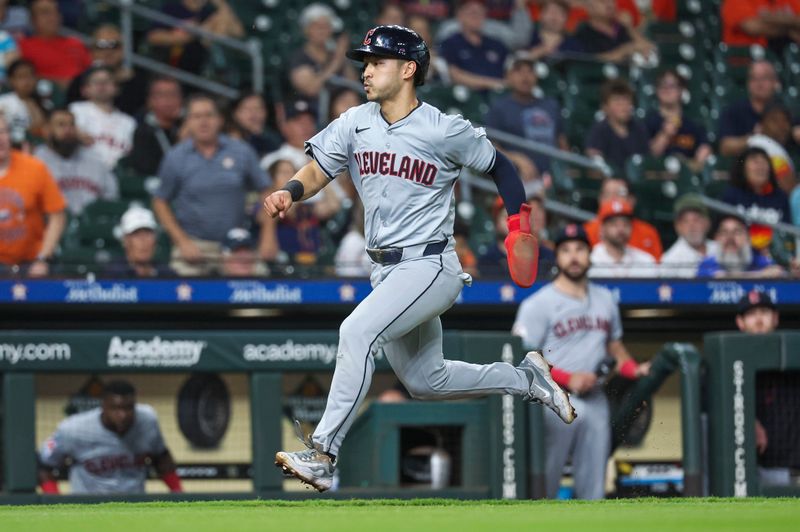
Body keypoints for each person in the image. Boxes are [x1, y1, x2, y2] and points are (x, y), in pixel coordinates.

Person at [268, 25, 575, 492]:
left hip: (431, 265)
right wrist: (290, 191)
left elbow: (502, 167)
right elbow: (317, 170)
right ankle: (527, 379)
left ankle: (324, 453)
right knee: (426, 380)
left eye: (377, 62)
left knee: (357, 331)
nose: (366, 71)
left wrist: (519, 225)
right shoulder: (355, 122)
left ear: (408, 69)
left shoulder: (443, 129)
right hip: (385, 269)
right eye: (365, 63)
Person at [512, 223, 650, 499]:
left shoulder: (606, 299)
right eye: (565, 250)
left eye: (579, 249)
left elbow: (614, 347)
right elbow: (522, 358)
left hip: (595, 397)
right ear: (557, 257)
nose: (573, 256)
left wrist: (635, 368)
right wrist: (566, 378)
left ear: (590, 254)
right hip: (552, 398)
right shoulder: (537, 304)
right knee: (544, 482)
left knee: (593, 486)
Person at [153, 94, 271, 276]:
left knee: (262, 286)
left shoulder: (241, 151)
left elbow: (267, 190)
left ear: (220, 120)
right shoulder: (176, 157)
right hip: (194, 244)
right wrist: (181, 241)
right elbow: (160, 201)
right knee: (179, 292)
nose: (203, 122)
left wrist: (268, 235)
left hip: (237, 244)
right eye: (196, 117)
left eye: (209, 115)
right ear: (188, 122)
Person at [37, 380, 182, 495]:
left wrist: (177, 493)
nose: (122, 415)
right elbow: (44, 466)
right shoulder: (73, 429)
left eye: (128, 408)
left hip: (135, 507)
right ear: (103, 405)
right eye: (116, 408)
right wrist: (55, 504)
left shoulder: (147, 420)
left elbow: (162, 457)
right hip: (88, 509)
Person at [734, 289, 800, 486]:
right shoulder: (731, 360)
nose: (759, 320)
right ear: (740, 322)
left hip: (794, 467)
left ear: (776, 318)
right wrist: (749, 420)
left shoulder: (793, 353)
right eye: (751, 314)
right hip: (754, 470)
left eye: (764, 312)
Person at [0, 115, 65, 277]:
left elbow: (57, 215)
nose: (0, 139)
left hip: (31, 262)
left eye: (3, 132)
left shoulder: (34, 168)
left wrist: (42, 259)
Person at [484, 54, 567, 180]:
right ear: (508, 76)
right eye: (518, 71)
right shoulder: (499, 108)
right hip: (519, 175)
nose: (525, 76)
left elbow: (561, 142)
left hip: (552, 175)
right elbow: (489, 146)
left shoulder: (551, 105)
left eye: (530, 71)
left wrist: (565, 167)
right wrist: (516, 159)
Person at [34, 108, 118, 216]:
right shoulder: (36, 161)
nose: (68, 130)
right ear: (47, 130)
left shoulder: (94, 158)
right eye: (61, 125)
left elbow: (111, 196)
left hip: (92, 225)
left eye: (72, 125)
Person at [66, 24, 149, 117]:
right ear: (92, 51)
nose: (108, 52)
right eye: (101, 45)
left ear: (123, 49)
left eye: (114, 45)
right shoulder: (79, 82)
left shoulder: (139, 81)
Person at [722, 146, 792, 253]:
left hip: (775, 257)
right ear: (743, 168)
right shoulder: (731, 195)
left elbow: (788, 233)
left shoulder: (780, 197)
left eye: (764, 162)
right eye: (755, 161)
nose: (761, 166)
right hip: (740, 255)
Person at [147, 0, 243, 75]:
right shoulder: (171, 7)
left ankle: (219, 66)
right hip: (174, 60)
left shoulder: (207, 11)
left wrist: (221, 3)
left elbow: (238, 32)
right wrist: (186, 34)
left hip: (201, 62)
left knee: (218, 21)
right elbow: (153, 37)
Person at [69, 66, 136, 169]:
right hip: (85, 171)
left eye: (107, 81)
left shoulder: (129, 122)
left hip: (118, 175)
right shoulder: (76, 110)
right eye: (96, 81)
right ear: (84, 90)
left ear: (117, 88)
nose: (102, 85)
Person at [645, 69, 712, 172]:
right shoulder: (649, 122)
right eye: (662, 85)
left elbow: (704, 151)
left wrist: (701, 157)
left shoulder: (694, 125)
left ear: (681, 91)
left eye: (672, 86)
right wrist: (665, 134)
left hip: (687, 175)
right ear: (657, 91)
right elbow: (648, 157)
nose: (667, 89)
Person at [288, 3, 356, 102]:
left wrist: (343, 55)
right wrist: (336, 61)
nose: (322, 31)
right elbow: (311, 89)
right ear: (306, 30)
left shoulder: (335, 54)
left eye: (326, 26)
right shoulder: (299, 58)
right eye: (317, 26)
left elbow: (352, 84)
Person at [583, 177, 663, 260]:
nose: (613, 199)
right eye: (607, 194)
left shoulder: (648, 232)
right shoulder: (586, 232)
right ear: (600, 199)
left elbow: (656, 268)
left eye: (619, 193)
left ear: (632, 200)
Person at [438, 0, 509, 92]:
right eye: (472, 13)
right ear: (460, 15)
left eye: (480, 12)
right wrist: (492, 84)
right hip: (467, 96)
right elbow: (455, 75)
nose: (476, 17)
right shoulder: (450, 43)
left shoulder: (497, 44)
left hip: (498, 95)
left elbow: (510, 72)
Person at [18, 0, 91, 88]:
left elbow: (90, 72)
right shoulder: (22, 47)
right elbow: (22, 78)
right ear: (33, 19)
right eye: (45, 13)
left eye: (56, 12)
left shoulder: (75, 43)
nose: (53, 17)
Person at [478, 195, 556, 277]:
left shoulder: (546, 256)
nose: (512, 222)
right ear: (496, 223)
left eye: (517, 217)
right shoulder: (487, 260)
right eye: (506, 217)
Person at [718, 60, 783, 157]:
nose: (759, 83)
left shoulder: (785, 110)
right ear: (748, 83)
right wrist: (755, 137)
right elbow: (725, 147)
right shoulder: (734, 110)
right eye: (754, 78)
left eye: (765, 78)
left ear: (775, 82)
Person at [584, 79, 650, 173]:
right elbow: (593, 160)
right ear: (605, 107)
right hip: (610, 180)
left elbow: (647, 160)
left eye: (626, 99)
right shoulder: (599, 130)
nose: (623, 105)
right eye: (617, 100)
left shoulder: (639, 128)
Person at [128, 76, 184, 176]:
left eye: (174, 95)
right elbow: (147, 170)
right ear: (150, 101)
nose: (169, 100)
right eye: (162, 95)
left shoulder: (187, 126)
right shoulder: (142, 132)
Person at [697, 214, 785, 278]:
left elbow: (777, 272)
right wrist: (761, 275)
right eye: (724, 232)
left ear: (748, 239)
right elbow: (715, 277)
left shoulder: (759, 260)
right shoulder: (707, 264)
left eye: (737, 232)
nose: (730, 237)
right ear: (717, 238)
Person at [588, 198, 657, 278]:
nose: (621, 229)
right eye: (614, 224)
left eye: (626, 224)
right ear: (602, 228)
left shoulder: (646, 261)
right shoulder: (590, 259)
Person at [572, 0, 655, 64]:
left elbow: (651, 49)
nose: (609, 4)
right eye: (602, 1)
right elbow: (590, 62)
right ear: (589, 8)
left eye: (611, 0)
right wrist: (624, 51)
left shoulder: (622, 27)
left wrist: (629, 28)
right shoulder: (584, 31)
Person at [435, 0, 534, 52]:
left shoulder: (492, 27)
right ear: (459, 13)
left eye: (479, 10)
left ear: (485, 13)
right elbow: (440, 48)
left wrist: (520, 8)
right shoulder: (449, 28)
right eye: (470, 10)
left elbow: (520, 41)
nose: (475, 11)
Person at [104, 205, 173, 278]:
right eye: (136, 234)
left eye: (148, 233)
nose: (144, 241)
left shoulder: (167, 274)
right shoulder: (114, 275)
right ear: (125, 240)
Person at [747, 101, 799, 195]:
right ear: (761, 125)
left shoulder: (776, 146)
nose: (781, 126)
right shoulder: (761, 143)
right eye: (774, 120)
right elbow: (788, 188)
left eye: (785, 120)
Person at [660, 194, 717, 278]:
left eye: (696, 219)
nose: (691, 226)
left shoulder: (720, 248)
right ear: (677, 227)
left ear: (707, 223)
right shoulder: (670, 260)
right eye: (685, 221)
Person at [722, 0, 800, 52]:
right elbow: (752, 27)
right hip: (746, 61)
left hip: (783, 56)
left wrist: (766, 18)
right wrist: (789, 29)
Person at [0, 59, 47, 141]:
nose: (27, 81)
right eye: (21, 77)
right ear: (11, 80)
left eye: (30, 76)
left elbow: (41, 131)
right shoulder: (3, 102)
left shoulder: (44, 103)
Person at [226, 91, 282, 158]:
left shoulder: (273, 142)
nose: (254, 114)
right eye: (247, 109)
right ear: (235, 114)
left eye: (259, 108)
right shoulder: (223, 144)